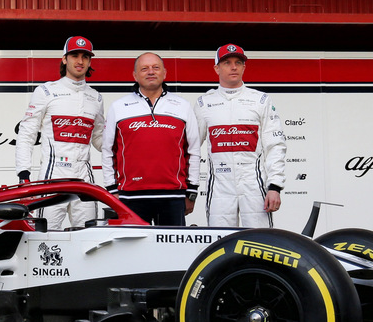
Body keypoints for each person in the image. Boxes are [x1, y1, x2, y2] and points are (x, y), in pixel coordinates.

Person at [14, 36, 106, 229]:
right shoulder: (46, 91)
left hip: (84, 174)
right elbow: (26, 134)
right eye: (74, 55)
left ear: (90, 61)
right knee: (46, 233)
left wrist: (125, 147)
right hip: (53, 173)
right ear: (64, 59)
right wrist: (23, 173)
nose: (80, 61)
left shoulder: (96, 97)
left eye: (85, 57)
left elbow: (99, 139)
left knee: (88, 234)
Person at [100, 52, 200, 226]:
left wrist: (192, 191)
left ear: (165, 73)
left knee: (171, 252)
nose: (151, 72)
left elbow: (194, 150)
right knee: (134, 252)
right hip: (131, 198)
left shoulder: (182, 106)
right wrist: (112, 189)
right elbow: (108, 150)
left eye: (156, 67)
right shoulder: (119, 107)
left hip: (173, 197)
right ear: (135, 75)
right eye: (144, 68)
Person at [194, 45, 287, 229]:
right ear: (216, 68)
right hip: (220, 186)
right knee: (220, 242)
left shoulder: (260, 100)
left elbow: (275, 145)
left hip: (254, 184)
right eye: (227, 63)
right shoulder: (204, 102)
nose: (234, 67)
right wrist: (189, 187)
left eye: (238, 62)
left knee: (260, 242)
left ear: (244, 67)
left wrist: (275, 186)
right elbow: (191, 148)